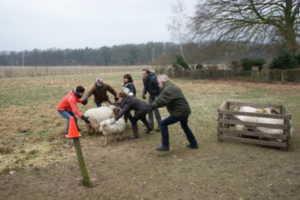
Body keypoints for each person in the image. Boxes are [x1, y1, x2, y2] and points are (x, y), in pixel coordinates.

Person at [146, 74, 198, 151]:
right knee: (184, 126)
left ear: (163, 82)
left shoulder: (168, 89)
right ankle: (194, 143)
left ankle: (165, 145)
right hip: (185, 110)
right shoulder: (172, 86)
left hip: (180, 112)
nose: (158, 85)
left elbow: (161, 99)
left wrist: (152, 106)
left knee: (163, 123)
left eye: (158, 83)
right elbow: (164, 99)